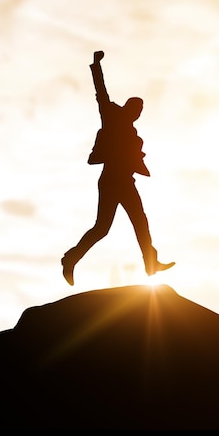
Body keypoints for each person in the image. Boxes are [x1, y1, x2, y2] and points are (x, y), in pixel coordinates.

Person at [61, 50, 175, 285]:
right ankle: (70, 259)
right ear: (129, 107)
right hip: (111, 180)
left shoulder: (133, 132)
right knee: (102, 228)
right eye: (137, 110)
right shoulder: (112, 115)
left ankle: (150, 264)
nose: (138, 114)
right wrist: (96, 65)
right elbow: (100, 92)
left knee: (140, 221)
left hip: (126, 181)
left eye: (141, 112)